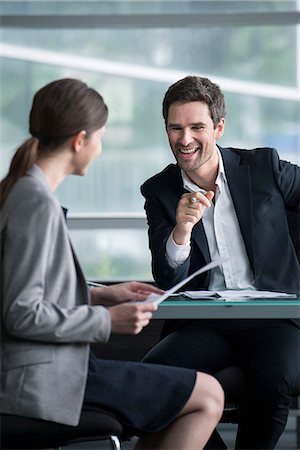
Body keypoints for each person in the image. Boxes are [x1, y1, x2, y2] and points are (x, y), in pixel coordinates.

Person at [0, 78, 225, 450]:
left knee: (187, 396)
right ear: (79, 140)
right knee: (209, 395)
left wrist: (103, 297)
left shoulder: (22, 192)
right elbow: (21, 313)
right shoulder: (35, 204)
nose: (100, 148)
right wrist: (108, 321)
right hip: (45, 380)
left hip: (51, 371)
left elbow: (24, 293)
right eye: (100, 138)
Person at [141, 75, 300, 449]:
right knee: (151, 381)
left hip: (274, 318)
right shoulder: (160, 191)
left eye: (197, 127)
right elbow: (167, 279)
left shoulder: (264, 167)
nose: (185, 139)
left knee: (273, 379)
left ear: (219, 127)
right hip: (205, 323)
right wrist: (181, 229)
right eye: (175, 128)